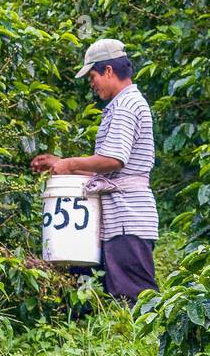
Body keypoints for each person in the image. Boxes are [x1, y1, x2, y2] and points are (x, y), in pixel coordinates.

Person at [30, 38, 159, 307]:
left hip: (129, 216)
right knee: (113, 292)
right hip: (121, 217)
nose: (92, 83)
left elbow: (114, 160)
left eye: (93, 75)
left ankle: (147, 345)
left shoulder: (125, 105)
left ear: (109, 71)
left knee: (135, 297)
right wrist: (63, 164)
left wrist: (69, 164)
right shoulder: (124, 103)